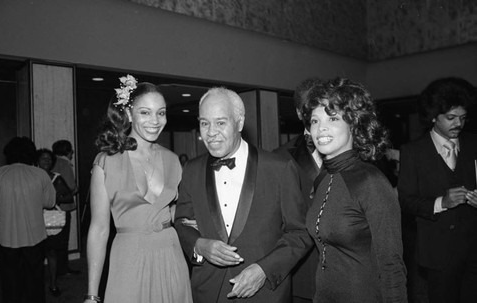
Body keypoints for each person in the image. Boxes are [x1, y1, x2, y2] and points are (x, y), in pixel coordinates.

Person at [174, 87, 312, 303]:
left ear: (239, 123)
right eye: (204, 123)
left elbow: (300, 232)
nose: (210, 132)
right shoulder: (192, 169)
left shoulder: (279, 168)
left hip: (264, 294)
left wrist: (264, 270)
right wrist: (199, 245)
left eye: (220, 123)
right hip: (208, 293)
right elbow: (181, 222)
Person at [84, 75, 192, 303]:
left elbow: (177, 214)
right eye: (145, 112)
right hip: (128, 259)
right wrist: (92, 295)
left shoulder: (173, 160)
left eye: (161, 112)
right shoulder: (106, 161)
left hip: (170, 255)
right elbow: (99, 230)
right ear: (128, 114)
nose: (155, 120)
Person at [302, 78, 407, 302]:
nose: (321, 129)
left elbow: (391, 266)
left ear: (353, 124)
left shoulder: (371, 182)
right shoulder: (323, 178)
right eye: (314, 121)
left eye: (332, 118)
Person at [397, 77, 477, 303]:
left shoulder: (474, 144)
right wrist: (441, 202)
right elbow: (405, 200)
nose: (458, 124)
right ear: (433, 116)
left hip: (473, 249)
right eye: (450, 118)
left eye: (462, 118)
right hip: (438, 252)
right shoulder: (413, 152)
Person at [0, 137, 56, 303]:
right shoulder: (40, 174)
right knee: (35, 281)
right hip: (35, 238)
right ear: (31, 155)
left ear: (8, 154)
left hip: (7, 238)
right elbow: (50, 202)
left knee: (10, 283)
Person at [273, 77, 325, 303]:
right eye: (309, 107)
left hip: (348, 270)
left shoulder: (351, 148)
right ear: (298, 112)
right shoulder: (279, 158)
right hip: (305, 272)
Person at [36, 148, 75, 297]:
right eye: (43, 158)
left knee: (51, 252)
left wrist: (53, 198)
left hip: (51, 219)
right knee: (36, 253)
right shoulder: (32, 176)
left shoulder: (56, 177)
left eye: (49, 158)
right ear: (37, 161)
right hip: (33, 219)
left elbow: (69, 197)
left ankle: (53, 284)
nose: (46, 161)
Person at [51, 139, 79, 276]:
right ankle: (63, 269)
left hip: (52, 207)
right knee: (63, 240)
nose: (72, 154)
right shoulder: (65, 164)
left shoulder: (51, 162)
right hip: (63, 207)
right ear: (68, 152)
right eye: (71, 151)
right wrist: (75, 189)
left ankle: (55, 268)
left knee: (54, 239)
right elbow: (71, 187)